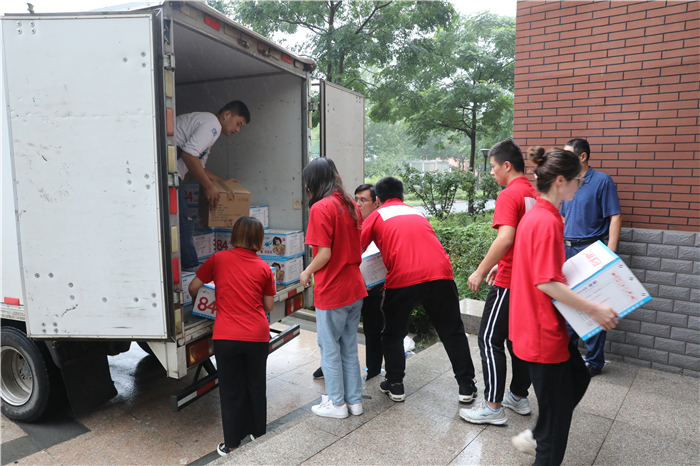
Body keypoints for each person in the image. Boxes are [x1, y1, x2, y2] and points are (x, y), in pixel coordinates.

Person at [509, 147, 618, 465]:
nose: (579, 187)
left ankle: (539, 434)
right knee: (555, 435)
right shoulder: (547, 220)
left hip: (537, 325)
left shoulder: (539, 215)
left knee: (579, 378)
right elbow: (546, 283)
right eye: (577, 181)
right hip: (543, 332)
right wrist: (595, 309)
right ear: (560, 180)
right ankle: (542, 438)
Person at [360, 176, 477, 404]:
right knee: (452, 331)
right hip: (441, 274)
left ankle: (395, 384)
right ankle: (466, 385)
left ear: (378, 200)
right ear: (402, 196)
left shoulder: (376, 215)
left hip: (404, 278)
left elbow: (358, 248)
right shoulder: (416, 212)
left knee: (393, 333)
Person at [460, 139, 537, 425]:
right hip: (529, 280)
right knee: (518, 341)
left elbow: (505, 238)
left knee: (489, 339)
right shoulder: (533, 193)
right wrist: (498, 263)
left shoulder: (509, 194)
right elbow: (523, 239)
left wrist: (481, 270)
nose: (491, 172)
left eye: (493, 166)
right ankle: (517, 395)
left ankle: (493, 406)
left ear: (507, 165)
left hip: (510, 281)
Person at [188, 216, 275, 456]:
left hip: (227, 336)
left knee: (230, 390)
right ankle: (258, 435)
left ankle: (232, 444)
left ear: (235, 235)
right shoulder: (264, 268)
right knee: (256, 386)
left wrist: (203, 303)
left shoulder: (218, 259)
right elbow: (268, 306)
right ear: (259, 238)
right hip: (257, 336)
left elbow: (194, 287)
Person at [300, 157, 367, 419]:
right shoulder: (350, 204)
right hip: (354, 287)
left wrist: (307, 271)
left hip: (333, 289)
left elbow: (324, 254)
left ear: (313, 181)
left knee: (329, 348)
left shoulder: (321, 208)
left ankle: (337, 404)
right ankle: (354, 402)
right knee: (348, 346)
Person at [560, 138, 622, 377]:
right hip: (566, 250)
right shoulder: (568, 182)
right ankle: (568, 356)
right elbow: (562, 217)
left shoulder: (602, 181)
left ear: (583, 156)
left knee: (593, 305)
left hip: (591, 250)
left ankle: (594, 362)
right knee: (568, 304)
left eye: (568, 154)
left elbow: (614, 216)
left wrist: (610, 254)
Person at [311, 183, 384, 381]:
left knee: (370, 330)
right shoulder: (350, 218)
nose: (358, 203)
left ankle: (373, 371)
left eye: (363, 200)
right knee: (337, 335)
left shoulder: (378, 222)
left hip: (373, 284)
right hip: (350, 284)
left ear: (376, 202)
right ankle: (328, 368)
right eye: (356, 199)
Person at [176, 100, 250, 270]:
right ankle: (192, 272)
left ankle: (192, 271)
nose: (238, 130)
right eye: (238, 123)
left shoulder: (211, 128)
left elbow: (199, 165)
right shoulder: (212, 125)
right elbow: (189, 155)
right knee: (183, 225)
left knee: (182, 223)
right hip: (167, 176)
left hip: (173, 176)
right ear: (227, 115)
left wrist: (222, 182)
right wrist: (209, 187)